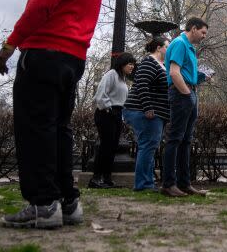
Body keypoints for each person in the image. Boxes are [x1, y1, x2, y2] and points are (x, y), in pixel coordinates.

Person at [0, 0, 104, 229]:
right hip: (73, 57)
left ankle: (43, 203)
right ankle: (68, 202)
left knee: (35, 130)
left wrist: (11, 44)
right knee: (57, 129)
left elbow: (42, 4)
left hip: (44, 52)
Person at [161, 18, 209, 198]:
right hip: (183, 94)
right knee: (175, 139)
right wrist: (187, 95)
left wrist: (201, 77)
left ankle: (184, 183)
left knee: (186, 140)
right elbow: (174, 72)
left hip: (189, 92)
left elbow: (186, 73)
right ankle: (168, 184)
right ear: (194, 28)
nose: (204, 36)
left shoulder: (189, 47)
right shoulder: (180, 43)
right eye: (203, 32)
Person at [123, 37, 170, 191]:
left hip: (155, 113)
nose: (169, 50)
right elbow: (142, 84)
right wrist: (148, 107)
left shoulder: (161, 65)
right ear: (158, 48)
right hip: (144, 111)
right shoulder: (149, 62)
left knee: (149, 146)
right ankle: (143, 185)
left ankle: (147, 183)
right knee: (148, 146)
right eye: (167, 47)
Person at [89, 53, 135, 189]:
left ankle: (107, 178)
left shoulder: (122, 79)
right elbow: (100, 94)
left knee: (112, 147)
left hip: (116, 113)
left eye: (133, 64)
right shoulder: (111, 74)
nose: (132, 66)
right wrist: (109, 109)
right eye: (130, 64)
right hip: (106, 113)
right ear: (122, 64)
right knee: (106, 146)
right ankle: (96, 178)